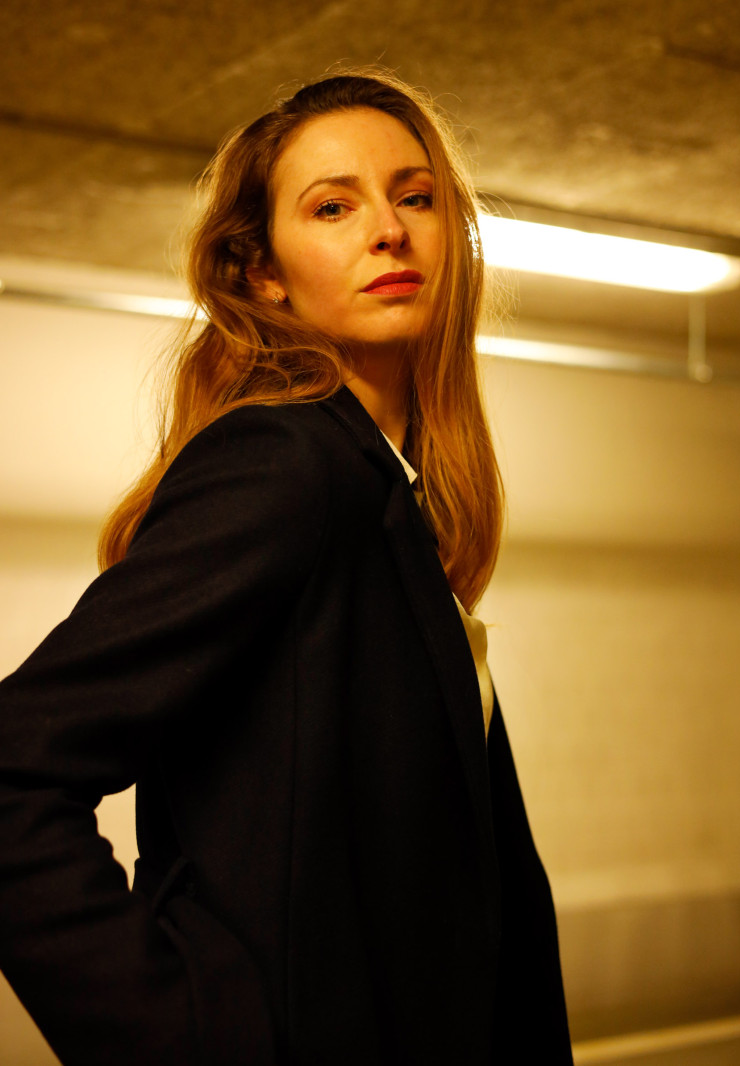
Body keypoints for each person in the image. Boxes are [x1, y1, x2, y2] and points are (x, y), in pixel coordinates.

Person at [0, 71, 573, 1065]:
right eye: (333, 207)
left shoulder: (387, 496)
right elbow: (14, 768)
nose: (387, 231)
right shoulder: (287, 463)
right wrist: (188, 1035)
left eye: (415, 196)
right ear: (262, 272)